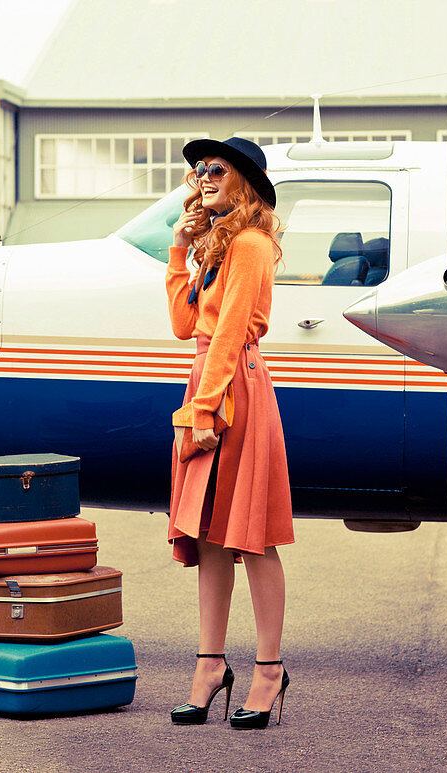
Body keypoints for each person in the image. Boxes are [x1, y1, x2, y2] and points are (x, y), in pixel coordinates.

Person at [165, 137, 294, 730]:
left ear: (244, 181)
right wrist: (179, 247)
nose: (203, 176)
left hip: (231, 387)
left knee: (251, 534)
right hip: (208, 380)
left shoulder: (249, 243)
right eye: (198, 170)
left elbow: (231, 332)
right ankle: (209, 665)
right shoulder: (218, 247)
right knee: (209, 532)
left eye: (216, 169)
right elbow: (185, 324)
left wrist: (206, 408)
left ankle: (269, 670)